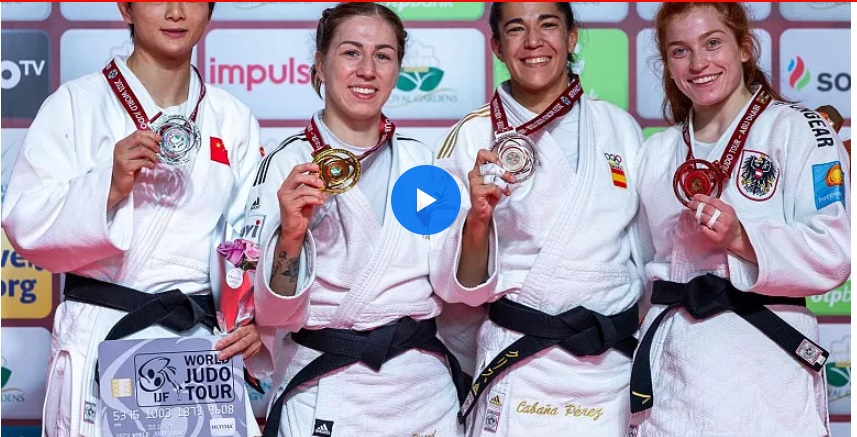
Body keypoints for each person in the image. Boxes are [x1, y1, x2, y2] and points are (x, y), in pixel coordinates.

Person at [1, 3, 267, 436]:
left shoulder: (233, 118)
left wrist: (254, 322)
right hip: (107, 334)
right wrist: (108, 187)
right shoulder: (76, 104)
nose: (176, 12)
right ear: (126, 7)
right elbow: (25, 222)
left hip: (200, 350)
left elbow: (248, 240)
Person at [628, 3, 850, 437]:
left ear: (745, 48)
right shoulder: (657, 152)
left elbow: (833, 251)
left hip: (764, 369)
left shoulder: (800, 129)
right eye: (680, 50)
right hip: (674, 371)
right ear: (667, 64)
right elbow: (639, 269)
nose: (698, 63)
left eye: (712, 43)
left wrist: (742, 239)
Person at [247, 3, 466, 436]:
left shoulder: (421, 163)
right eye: (351, 52)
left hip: (422, 391)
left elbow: (453, 287)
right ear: (320, 64)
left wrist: (477, 221)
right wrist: (291, 234)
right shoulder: (285, 165)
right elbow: (273, 313)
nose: (367, 69)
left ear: (397, 70)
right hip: (326, 385)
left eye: (383, 55)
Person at [430, 3, 647, 436]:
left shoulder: (619, 127)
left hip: (609, 366)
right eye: (516, 29)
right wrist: (478, 218)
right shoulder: (472, 136)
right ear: (496, 46)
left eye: (548, 25)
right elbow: (454, 289)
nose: (533, 42)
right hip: (521, 362)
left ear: (571, 36)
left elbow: (644, 259)